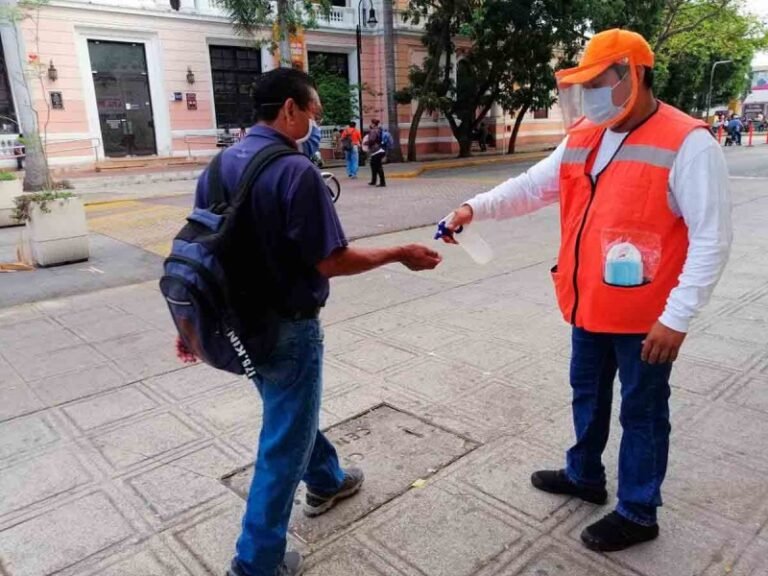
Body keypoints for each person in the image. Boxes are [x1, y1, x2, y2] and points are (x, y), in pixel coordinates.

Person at [441, 29, 731, 552]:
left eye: (601, 82)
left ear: (634, 76)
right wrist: (474, 207)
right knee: (588, 395)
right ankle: (584, 475)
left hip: (647, 318)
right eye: (587, 84)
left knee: (642, 411)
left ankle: (639, 511)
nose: (593, 93)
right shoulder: (585, 134)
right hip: (588, 304)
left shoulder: (688, 141)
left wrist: (678, 317)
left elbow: (712, 237)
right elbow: (533, 186)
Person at [192, 68, 442, 576]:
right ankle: (256, 561)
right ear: (289, 109)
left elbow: (201, 249)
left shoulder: (218, 166)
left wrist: (192, 325)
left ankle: (328, 479)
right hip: (287, 327)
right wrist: (399, 252)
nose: (315, 123)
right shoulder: (296, 171)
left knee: (290, 415)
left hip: (238, 325)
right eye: (313, 113)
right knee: (282, 442)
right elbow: (331, 260)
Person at [367, 119, 386, 187]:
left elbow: (372, 140)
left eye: (371, 123)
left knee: (377, 166)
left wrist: (367, 143)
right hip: (378, 150)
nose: (370, 125)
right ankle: (374, 180)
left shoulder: (373, 131)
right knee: (373, 165)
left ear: (373, 124)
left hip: (376, 150)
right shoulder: (379, 130)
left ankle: (382, 182)